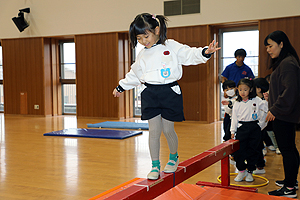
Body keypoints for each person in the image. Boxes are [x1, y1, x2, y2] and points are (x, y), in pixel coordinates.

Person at [112, 13, 221, 180]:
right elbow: (134, 74)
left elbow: (189, 54)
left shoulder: (170, 46)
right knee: (154, 131)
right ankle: (155, 165)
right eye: (139, 38)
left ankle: (173, 157)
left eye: (146, 36)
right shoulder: (141, 55)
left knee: (168, 129)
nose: (143, 41)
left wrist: (205, 52)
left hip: (170, 92)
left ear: (156, 30)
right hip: (150, 93)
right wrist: (121, 86)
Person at [264, 30, 300, 198]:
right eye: (267, 47)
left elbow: (290, 92)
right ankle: (291, 180)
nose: (268, 50)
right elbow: (283, 88)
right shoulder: (286, 62)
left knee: (287, 150)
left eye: (270, 46)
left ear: (281, 44)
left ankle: (290, 188)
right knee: (290, 149)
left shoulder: (287, 63)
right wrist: (270, 95)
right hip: (285, 114)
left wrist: (274, 109)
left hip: (283, 115)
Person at [230, 78, 268, 182]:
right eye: (240, 89)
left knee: (253, 151)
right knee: (239, 151)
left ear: (251, 89)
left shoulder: (256, 100)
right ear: (237, 89)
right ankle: (242, 171)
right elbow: (234, 118)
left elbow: (264, 110)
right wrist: (232, 131)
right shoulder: (237, 103)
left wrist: (260, 126)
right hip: (242, 129)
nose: (242, 92)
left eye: (245, 89)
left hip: (254, 128)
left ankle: (250, 171)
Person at [264, 74, 281, 154]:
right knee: (270, 131)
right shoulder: (267, 92)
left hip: (278, 114)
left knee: (277, 132)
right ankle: (274, 145)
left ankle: (278, 146)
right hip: (269, 114)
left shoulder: (279, 91)